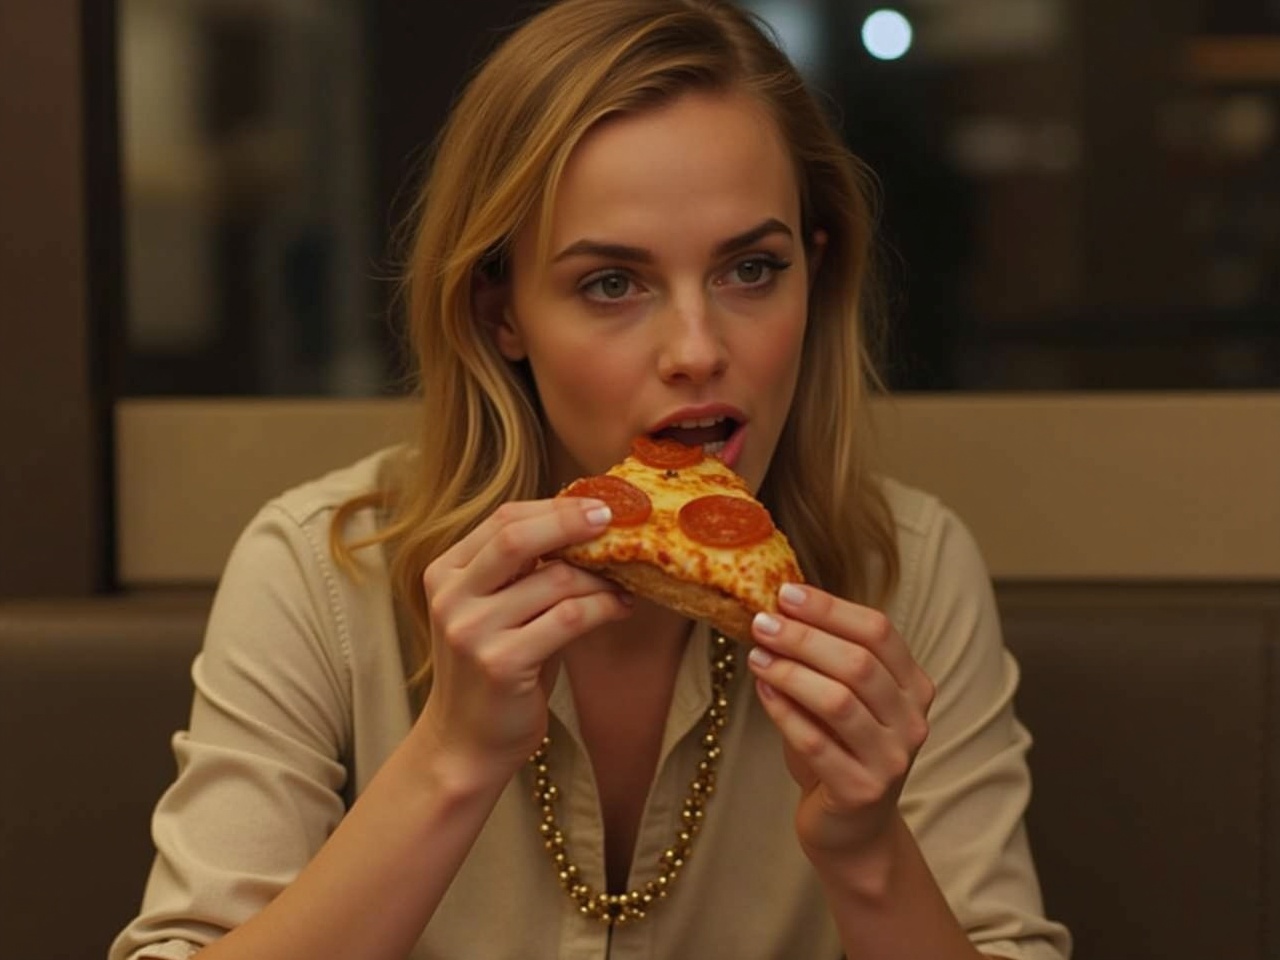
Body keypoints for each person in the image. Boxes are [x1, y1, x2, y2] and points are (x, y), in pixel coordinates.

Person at [111, 1, 1071, 958]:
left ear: (814, 277)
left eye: (751, 268)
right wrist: (450, 759)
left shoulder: (904, 570)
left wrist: (867, 851)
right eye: (612, 283)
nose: (698, 350)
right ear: (501, 312)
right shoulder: (321, 572)